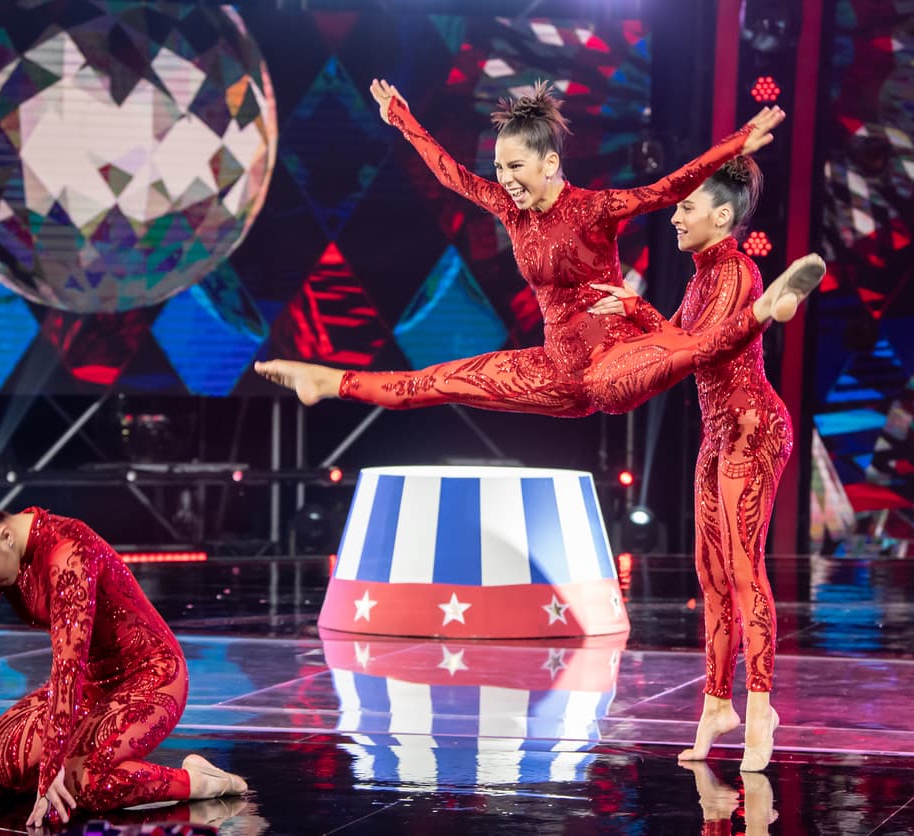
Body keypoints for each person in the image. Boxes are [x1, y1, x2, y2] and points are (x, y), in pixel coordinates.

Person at [254, 79, 823, 415]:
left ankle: (764, 309)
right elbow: (451, 174)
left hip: (616, 361)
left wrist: (731, 147)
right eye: (498, 166)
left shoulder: (596, 210)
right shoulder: (507, 209)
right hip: (556, 370)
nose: (502, 177)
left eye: (515, 166)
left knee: (691, 350)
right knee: (434, 382)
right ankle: (326, 380)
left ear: (550, 164)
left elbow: (664, 188)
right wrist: (401, 119)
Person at [0, 498, 248, 828]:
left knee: (84, 784)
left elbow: (67, 668)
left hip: (150, 674)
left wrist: (50, 770)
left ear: (5, 535)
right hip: (91, 684)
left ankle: (198, 781)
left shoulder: (68, 551)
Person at [652, 158, 811, 771]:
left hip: (753, 426)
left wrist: (648, 333)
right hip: (718, 432)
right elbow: (672, 344)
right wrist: (625, 315)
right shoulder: (697, 281)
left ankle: (761, 705)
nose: (674, 214)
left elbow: (697, 348)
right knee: (710, 573)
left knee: (745, 568)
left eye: (685, 207)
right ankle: (716, 703)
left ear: (721, 216)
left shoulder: (737, 270)